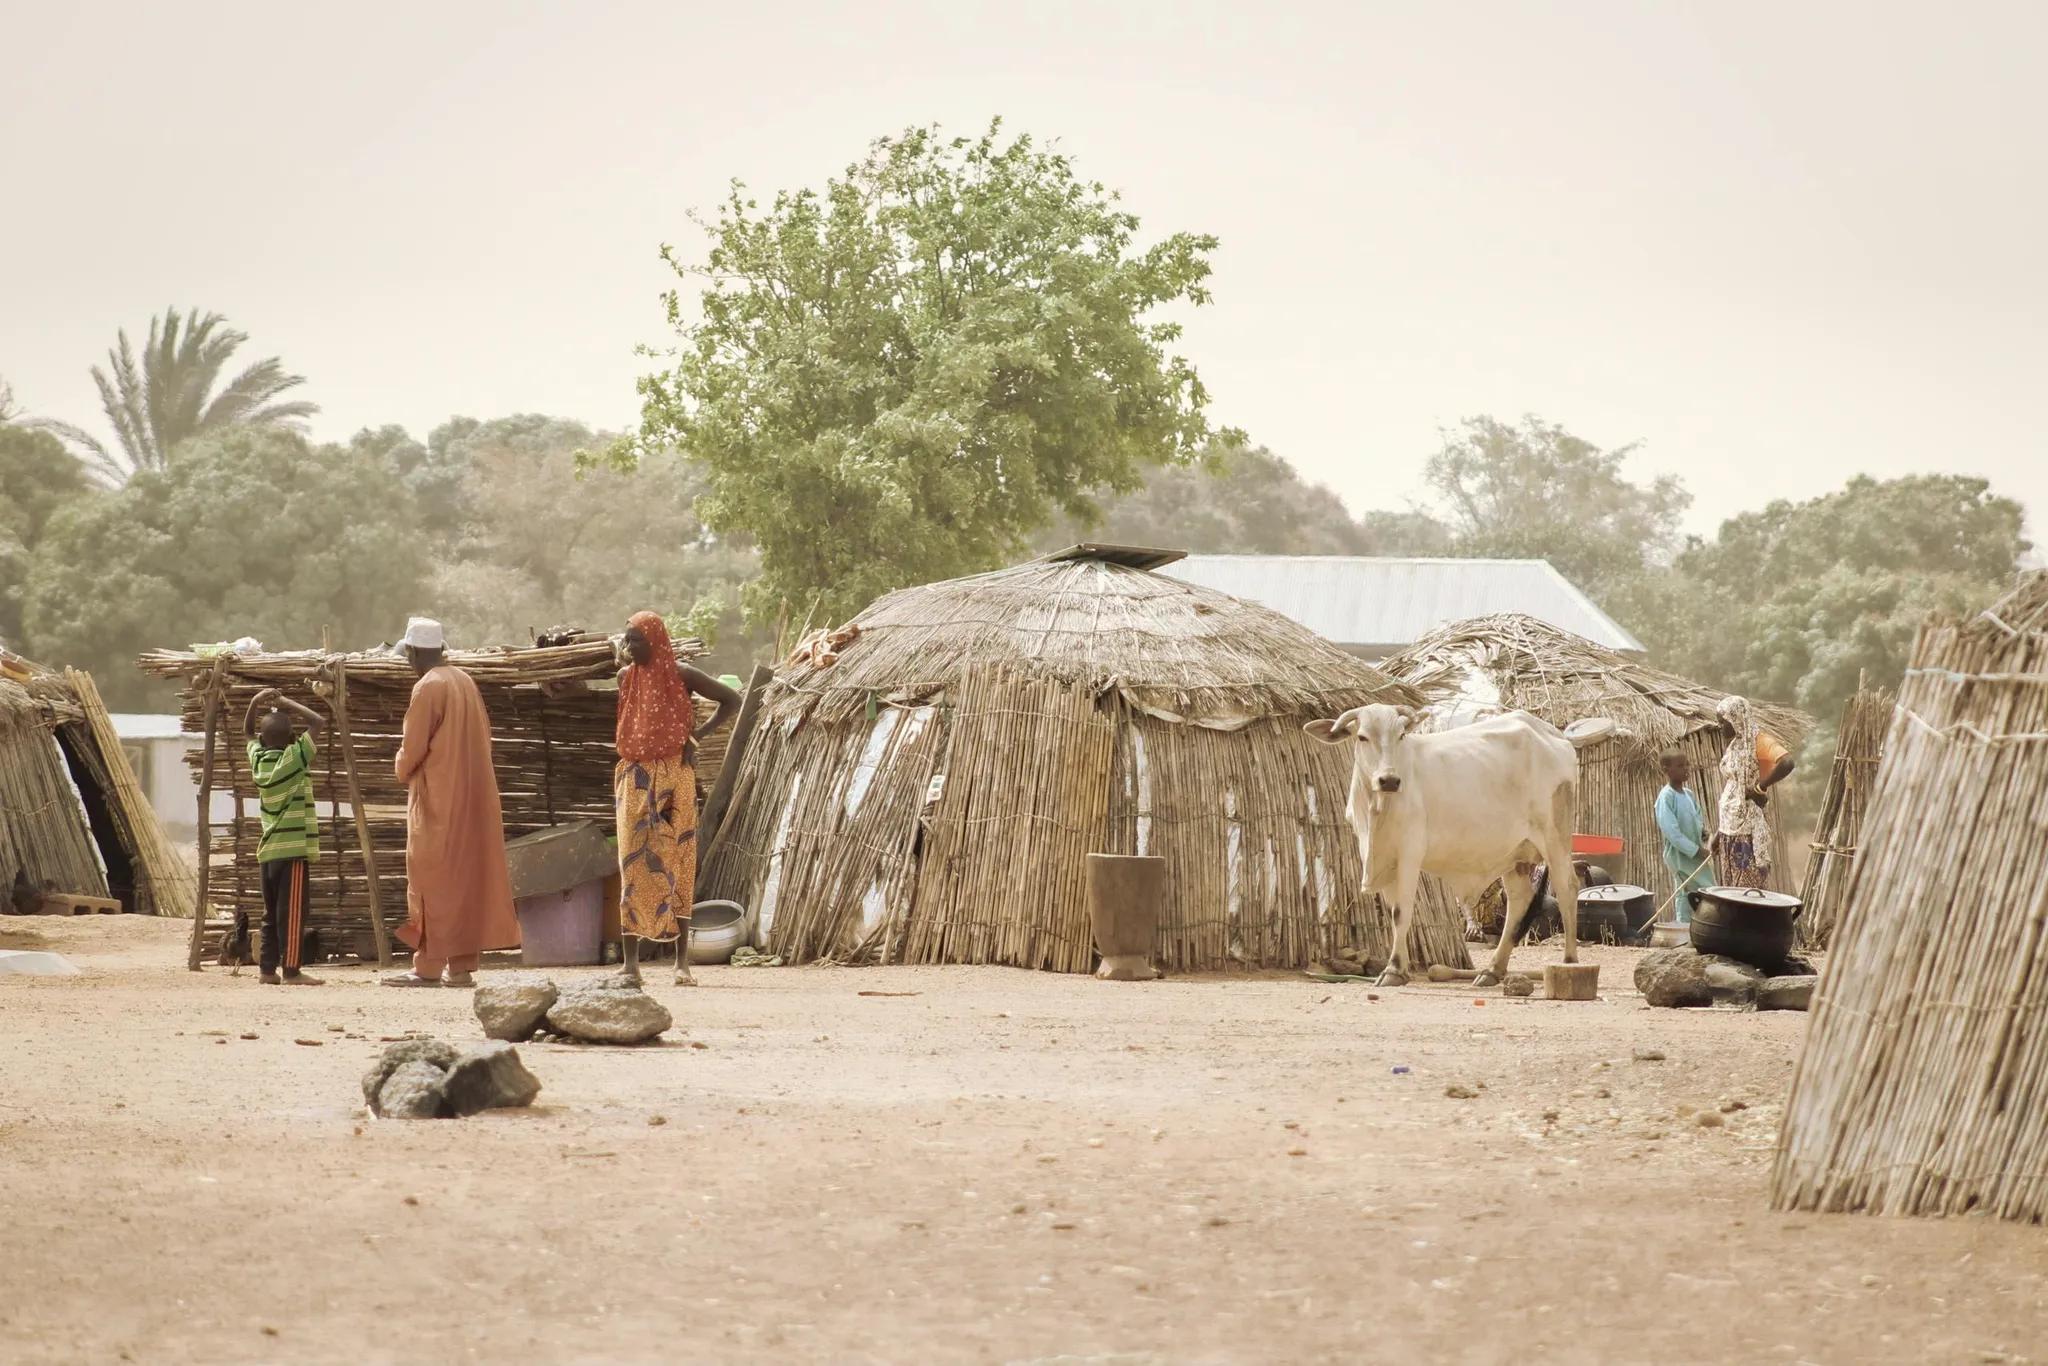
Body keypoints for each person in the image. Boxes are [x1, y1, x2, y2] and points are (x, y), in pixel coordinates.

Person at [384, 617, 520, 988]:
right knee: (463, 881)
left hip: (436, 802)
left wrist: (399, 767)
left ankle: (426, 966)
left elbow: (411, 751)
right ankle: (461, 967)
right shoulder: (464, 681)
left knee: (430, 880)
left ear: (412, 652)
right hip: (473, 799)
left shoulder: (427, 687)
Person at [613, 611, 740, 986]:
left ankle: (681, 963)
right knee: (631, 862)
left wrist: (696, 736)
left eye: (636, 639)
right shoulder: (625, 679)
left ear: (656, 640)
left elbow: (731, 700)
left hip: (675, 774)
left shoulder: (682, 674)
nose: (630, 646)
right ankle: (631, 964)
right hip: (634, 776)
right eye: (628, 638)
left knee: (680, 860)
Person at [244, 688, 327, 985]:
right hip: (293, 851)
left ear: (264, 739)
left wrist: (256, 702)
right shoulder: (295, 759)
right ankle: (291, 970)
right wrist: (285, 703)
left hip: (268, 852)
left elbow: (248, 733)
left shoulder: (259, 761)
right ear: (292, 738)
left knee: (270, 913)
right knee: (291, 914)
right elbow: (318, 721)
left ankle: (267, 970)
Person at [1714, 694, 1794, 889]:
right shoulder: (1735, 745)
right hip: (1729, 829)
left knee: (1748, 889)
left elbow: (1787, 763)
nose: (1720, 726)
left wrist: (1760, 787)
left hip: (1747, 829)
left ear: (1736, 719)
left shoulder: (1760, 741)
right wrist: (1719, 834)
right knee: (1731, 888)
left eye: (1723, 722)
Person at [1653, 752, 1713, 923]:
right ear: (1666, 770)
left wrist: (1703, 833)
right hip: (1680, 857)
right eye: (1680, 766)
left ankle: (1698, 929)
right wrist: (1695, 850)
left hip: (1695, 856)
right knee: (1685, 892)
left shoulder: (1689, 794)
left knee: (1705, 891)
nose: (1686, 769)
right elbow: (1672, 833)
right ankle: (1683, 929)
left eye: (1687, 764)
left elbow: (1697, 818)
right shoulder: (1666, 797)